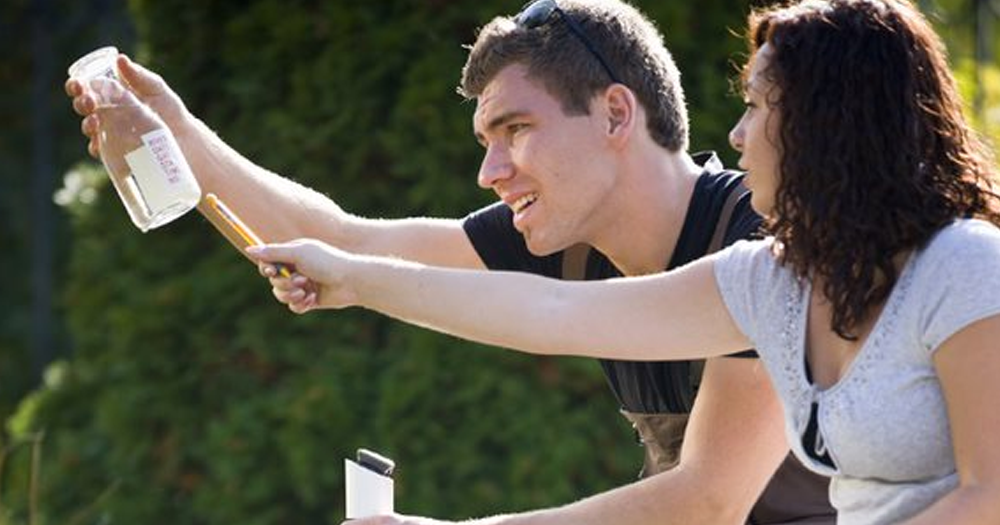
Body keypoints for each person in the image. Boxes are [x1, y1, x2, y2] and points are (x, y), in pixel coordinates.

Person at [66, 0, 835, 523]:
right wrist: (179, 134)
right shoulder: (570, 241)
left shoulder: (760, 239)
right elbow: (346, 244)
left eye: (516, 129)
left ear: (614, 113)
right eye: (485, 141)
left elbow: (706, 503)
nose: (489, 172)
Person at [250, 0, 1000, 523]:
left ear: (831, 125)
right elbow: (550, 312)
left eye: (757, 106)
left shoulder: (964, 267)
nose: (737, 135)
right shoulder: (773, 279)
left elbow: (991, 495)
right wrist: (353, 278)